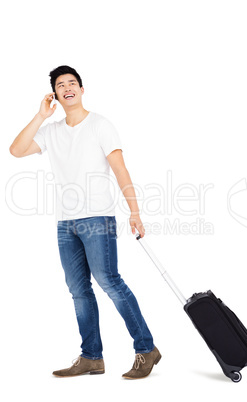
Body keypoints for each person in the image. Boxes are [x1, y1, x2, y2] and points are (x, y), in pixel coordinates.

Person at [9, 65, 161, 379]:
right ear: (55, 94)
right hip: (66, 223)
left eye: (72, 83)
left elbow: (121, 170)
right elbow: (16, 150)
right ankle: (91, 356)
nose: (67, 88)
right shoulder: (51, 131)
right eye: (61, 84)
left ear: (81, 88)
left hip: (97, 217)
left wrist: (135, 212)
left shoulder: (100, 125)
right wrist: (41, 116)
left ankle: (146, 348)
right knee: (78, 290)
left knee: (110, 282)